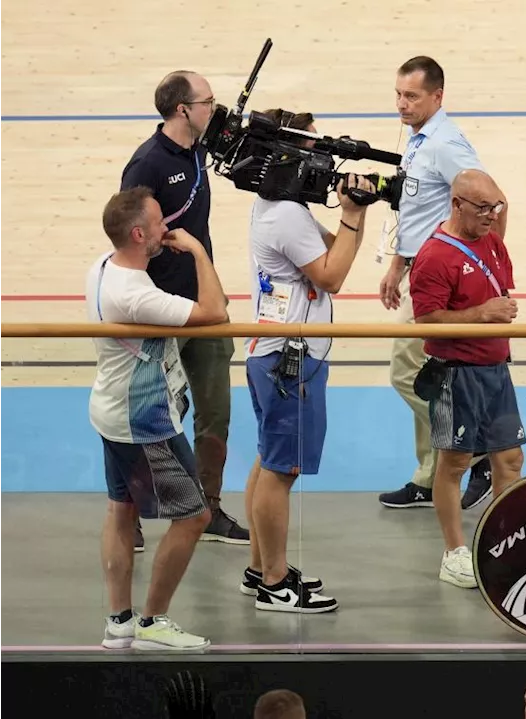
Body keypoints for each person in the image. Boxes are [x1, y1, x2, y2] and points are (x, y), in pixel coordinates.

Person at [242, 109, 374, 613]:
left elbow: (332, 251)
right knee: (282, 470)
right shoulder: (288, 216)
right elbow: (333, 275)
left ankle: (261, 568)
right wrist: (354, 217)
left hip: (273, 352)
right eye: (314, 151)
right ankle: (275, 583)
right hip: (289, 362)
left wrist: (352, 213)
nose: (320, 162)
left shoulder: (275, 205)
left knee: (268, 460)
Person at [90, 187, 229, 651]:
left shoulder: (102, 267)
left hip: (109, 409)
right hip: (143, 419)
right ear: (136, 234)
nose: (165, 229)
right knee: (194, 516)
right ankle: (153, 623)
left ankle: (119, 623)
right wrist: (197, 250)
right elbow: (215, 311)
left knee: (121, 509)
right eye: (157, 223)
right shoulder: (135, 295)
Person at [120, 70, 248, 547]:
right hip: (160, 311)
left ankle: (209, 508)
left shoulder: (199, 147)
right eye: (208, 101)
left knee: (216, 411)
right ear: (182, 110)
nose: (214, 108)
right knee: (151, 415)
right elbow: (128, 235)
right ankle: (127, 513)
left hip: (206, 305)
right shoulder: (147, 164)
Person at [377, 56, 493, 512]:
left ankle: (476, 445)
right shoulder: (418, 140)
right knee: (429, 377)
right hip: (418, 270)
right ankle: (429, 476)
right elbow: (419, 211)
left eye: (412, 96)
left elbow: (491, 202)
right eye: (399, 95)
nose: (401, 104)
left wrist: (486, 270)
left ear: (437, 97)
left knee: (405, 373)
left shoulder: (446, 144)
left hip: (439, 280)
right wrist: (396, 266)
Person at [410, 169, 524, 589]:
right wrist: (482, 314)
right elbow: (428, 322)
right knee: (455, 462)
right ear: (456, 204)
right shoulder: (433, 257)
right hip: (455, 373)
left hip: (496, 369)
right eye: (483, 208)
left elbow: (498, 297)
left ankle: (507, 542)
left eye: (497, 206)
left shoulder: (492, 242)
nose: (492, 216)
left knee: (510, 460)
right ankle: (454, 553)